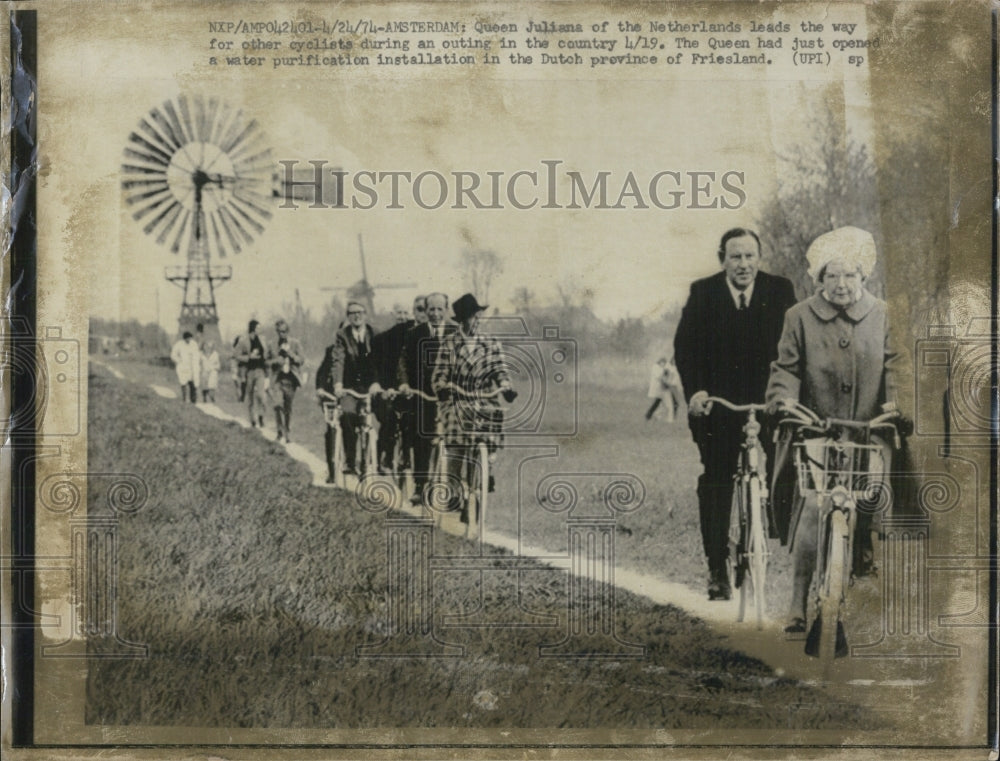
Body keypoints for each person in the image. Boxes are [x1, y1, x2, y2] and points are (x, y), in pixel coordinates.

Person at [765, 226, 905, 634]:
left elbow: (897, 366)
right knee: (812, 505)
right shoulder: (798, 317)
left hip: (869, 431)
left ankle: (864, 562)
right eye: (832, 276)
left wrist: (896, 406)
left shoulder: (883, 314)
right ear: (819, 278)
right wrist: (784, 401)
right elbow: (786, 369)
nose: (841, 285)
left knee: (874, 498)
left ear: (864, 277)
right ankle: (797, 600)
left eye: (850, 276)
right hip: (817, 431)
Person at [674, 227, 796, 601]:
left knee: (785, 460)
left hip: (769, 399)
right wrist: (696, 391)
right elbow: (686, 348)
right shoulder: (703, 293)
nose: (743, 265)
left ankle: (777, 525)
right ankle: (717, 567)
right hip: (719, 403)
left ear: (760, 258)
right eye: (735, 257)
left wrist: (790, 393)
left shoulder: (780, 291)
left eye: (749, 256)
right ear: (722, 259)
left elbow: (794, 348)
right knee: (716, 478)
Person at [431, 293, 514, 523]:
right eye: (473, 317)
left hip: (484, 398)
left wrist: (505, 385)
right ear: (463, 320)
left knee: (493, 419)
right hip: (458, 399)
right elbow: (438, 375)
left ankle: (486, 469)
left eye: (480, 317)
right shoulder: (449, 344)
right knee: (456, 435)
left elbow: (500, 369)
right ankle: (454, 485)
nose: (477, 321)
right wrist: (444, 387)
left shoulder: (491, 342)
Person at [398, 292, 457, 503]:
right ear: (426, 310)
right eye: (431, 309)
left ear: (446, 310)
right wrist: (404, 383)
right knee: (421, 435)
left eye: (440, 309)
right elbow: (404, 362)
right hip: (423, 394)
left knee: (457, 436)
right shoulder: (415, 333)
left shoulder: (455, 331)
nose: (435, 313)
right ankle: (421, 484)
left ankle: (457, 486)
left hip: (449, 394)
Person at [330, 301, 379, 475]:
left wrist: (378, 383)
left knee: (386, 414)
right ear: (348, 317)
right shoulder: (342, 335)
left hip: (371, 386)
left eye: (359, 312)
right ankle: (350, 461)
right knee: (348, 415)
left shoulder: (374, 333)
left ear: (365, 314)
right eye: (352, 313)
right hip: (350, 386)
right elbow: (338, 360)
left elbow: (381, 360)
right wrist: (338, 384)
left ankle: (383, 459)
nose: (356, 316)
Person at [372, 304, 415, 471]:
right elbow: (379, 367)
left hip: (408, 390)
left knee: (410, 418)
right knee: (388, 417)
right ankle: (386, 455)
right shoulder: (383, 339)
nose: (402, 317)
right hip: (388, 391)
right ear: (393, 315)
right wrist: (384, 388)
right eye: (399, 313)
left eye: (406, 313)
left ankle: (406, 455)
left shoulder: (415, 336)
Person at [269, 318, 305, 443]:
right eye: (279, 332)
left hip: (291, 379)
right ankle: (279, 432)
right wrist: (275, 361)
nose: (281, 334)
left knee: (288, 408)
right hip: (278, 378)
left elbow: (301, 360)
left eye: (284, 331)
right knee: (277, 405)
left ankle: (287, 432)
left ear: (288, 331)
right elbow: (266, 361)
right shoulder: (272, 345)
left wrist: (290, 354)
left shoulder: (295, 343)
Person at [233, 319, 270, 428]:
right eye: (258, 327)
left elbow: (267, 353)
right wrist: (249, 358)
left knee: (261, 395)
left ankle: (261, 416)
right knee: (250, 397)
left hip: (260, 370)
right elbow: (236, 355)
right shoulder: (243, 341)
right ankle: (252, 419)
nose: (260, 329)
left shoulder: (263, 339)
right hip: (249, 371)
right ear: (253, 328)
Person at [645, 356, 683, 422]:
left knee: (664, 404)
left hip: (665, 388)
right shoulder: (659, 367)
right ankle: (669, 419)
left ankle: (650, 415)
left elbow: (670, 378)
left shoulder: (669, 368)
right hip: (662, 389)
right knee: (668, 404)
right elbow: (661, 377)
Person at [170, 331, 201, 403]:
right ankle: (184, 399)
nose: (189, 340)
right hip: (183, 367)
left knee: (193, 384)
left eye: (190, 338)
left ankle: (193, 400)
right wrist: (179, 360)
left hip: (192, 367)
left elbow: (197, 354)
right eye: (187, 339)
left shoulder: (194, 344)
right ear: (184, 339)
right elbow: (173, 354)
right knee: (183, 383)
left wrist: (196, 363)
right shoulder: (179, 344)